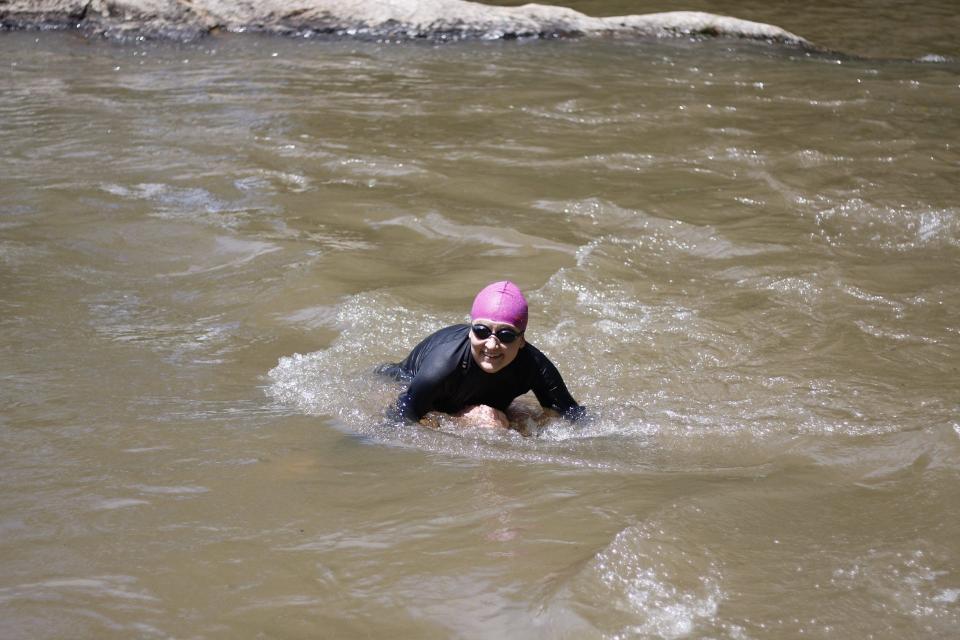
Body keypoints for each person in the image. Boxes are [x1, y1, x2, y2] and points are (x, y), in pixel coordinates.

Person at [378, 281, 584, 429]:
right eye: (482, 332)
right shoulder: (442, 366)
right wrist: (456, 421)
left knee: (522, 420)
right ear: (470, 331)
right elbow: (399, 417)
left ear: (522, 340)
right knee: (490, 422)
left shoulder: (534, 366)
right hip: (408, 384)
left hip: (471, 396)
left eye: (506, 335)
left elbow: (573, 415)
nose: (492, 344)